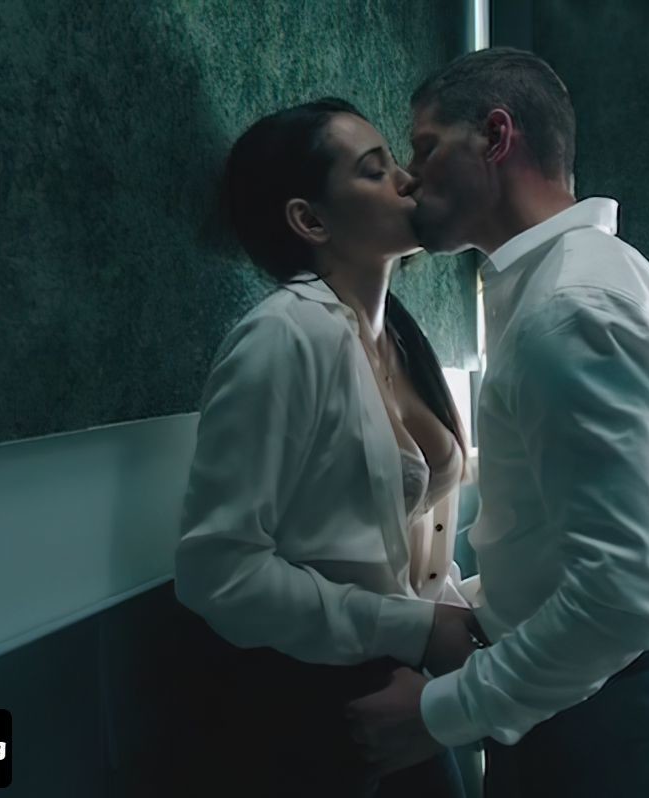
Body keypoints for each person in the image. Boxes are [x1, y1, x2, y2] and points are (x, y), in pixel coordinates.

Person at [347, 48, 649, 797]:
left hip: (603, 707)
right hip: (601, 686)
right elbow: (566, 540)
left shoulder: (568, 308)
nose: (410, 178)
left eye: (424, 147)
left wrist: (439, 713)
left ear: (495, 136)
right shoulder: (575, 281)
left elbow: (622, 591)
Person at [173, 97, 484, 797]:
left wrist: (463, 619)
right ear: (310, 220)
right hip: (312, 705)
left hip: (406, 686)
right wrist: (412, 628)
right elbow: (215, 572)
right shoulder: (282, 337)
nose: (407, 179)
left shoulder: (401, 335)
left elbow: (405, 552)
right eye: (375, 170)